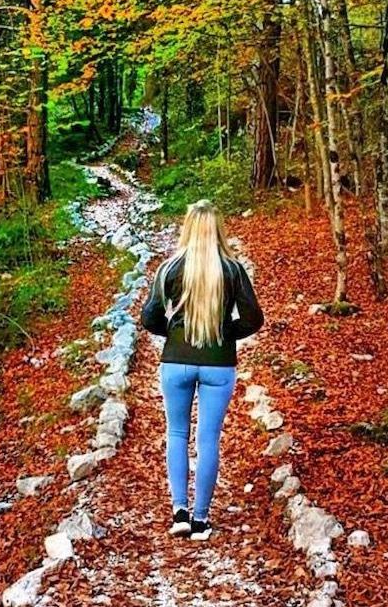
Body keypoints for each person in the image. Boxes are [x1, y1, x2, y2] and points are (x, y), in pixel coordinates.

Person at [140, 200, 263, 541]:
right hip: (218, 364)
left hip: (176, 361)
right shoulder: (233, 270)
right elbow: (253, 319)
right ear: (219, 229)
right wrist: (222, 335)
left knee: (177, 434)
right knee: (208, 439)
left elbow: (149, 317)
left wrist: (177, 334)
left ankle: (178, 511)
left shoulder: (170, 268)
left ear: (188, 228)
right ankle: (201, 520)